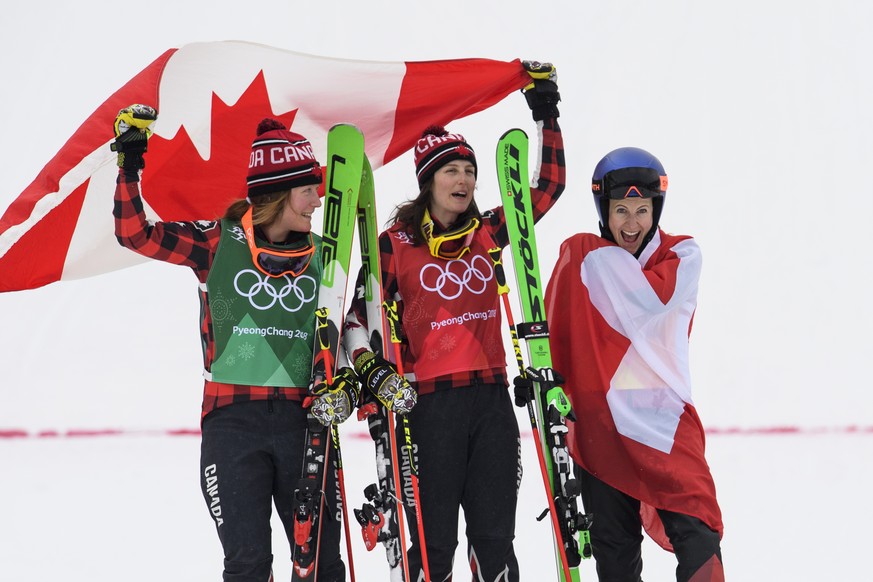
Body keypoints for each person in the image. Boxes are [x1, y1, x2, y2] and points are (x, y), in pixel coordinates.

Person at [341, 61, 564, 582]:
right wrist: (373, 370)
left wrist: (546, 114)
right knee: (432, 547)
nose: (463, 179)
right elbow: (354, 320)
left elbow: (547, 188)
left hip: (489, 403)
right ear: (428, 182)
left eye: (469, 171)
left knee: (494, 543)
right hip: (427, 408)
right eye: (450, 171)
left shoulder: (488, 232)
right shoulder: (395, 246)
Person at [112, 107, 357, 581]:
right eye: (308, 189)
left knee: (324, 566)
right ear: (278, 193)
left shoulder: (328, 257)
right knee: (247, 566)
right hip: (232, 425)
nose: (317, 200)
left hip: (303, 421)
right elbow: (134, 234)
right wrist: (129, 163)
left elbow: (348, 331)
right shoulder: (215, 243)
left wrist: (347, 383)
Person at [545, 147, 725, 581]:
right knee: (615, 554)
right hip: (600, 424)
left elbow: (651, 298)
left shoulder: (681, 256)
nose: (631, 223)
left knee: (698, 531)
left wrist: (587, 253)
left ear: (656, 209)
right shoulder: (580, 260)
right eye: (620, 210)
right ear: (603, 210)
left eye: (641, 210)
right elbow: (557, 327)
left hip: (663, 421)